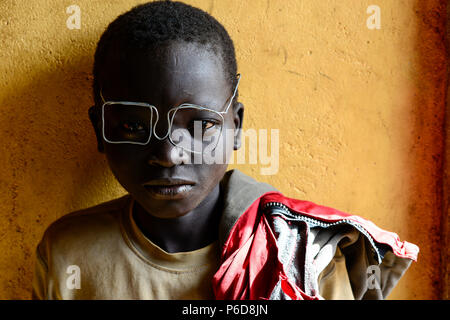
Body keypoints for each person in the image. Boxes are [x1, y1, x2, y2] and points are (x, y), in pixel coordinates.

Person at [32, 0, 418, 300]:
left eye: (201, 125)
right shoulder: (69, 253)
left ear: (236, 127)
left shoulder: (301, 258)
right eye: (133, 126)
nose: (168, 154)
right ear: (100, 129)